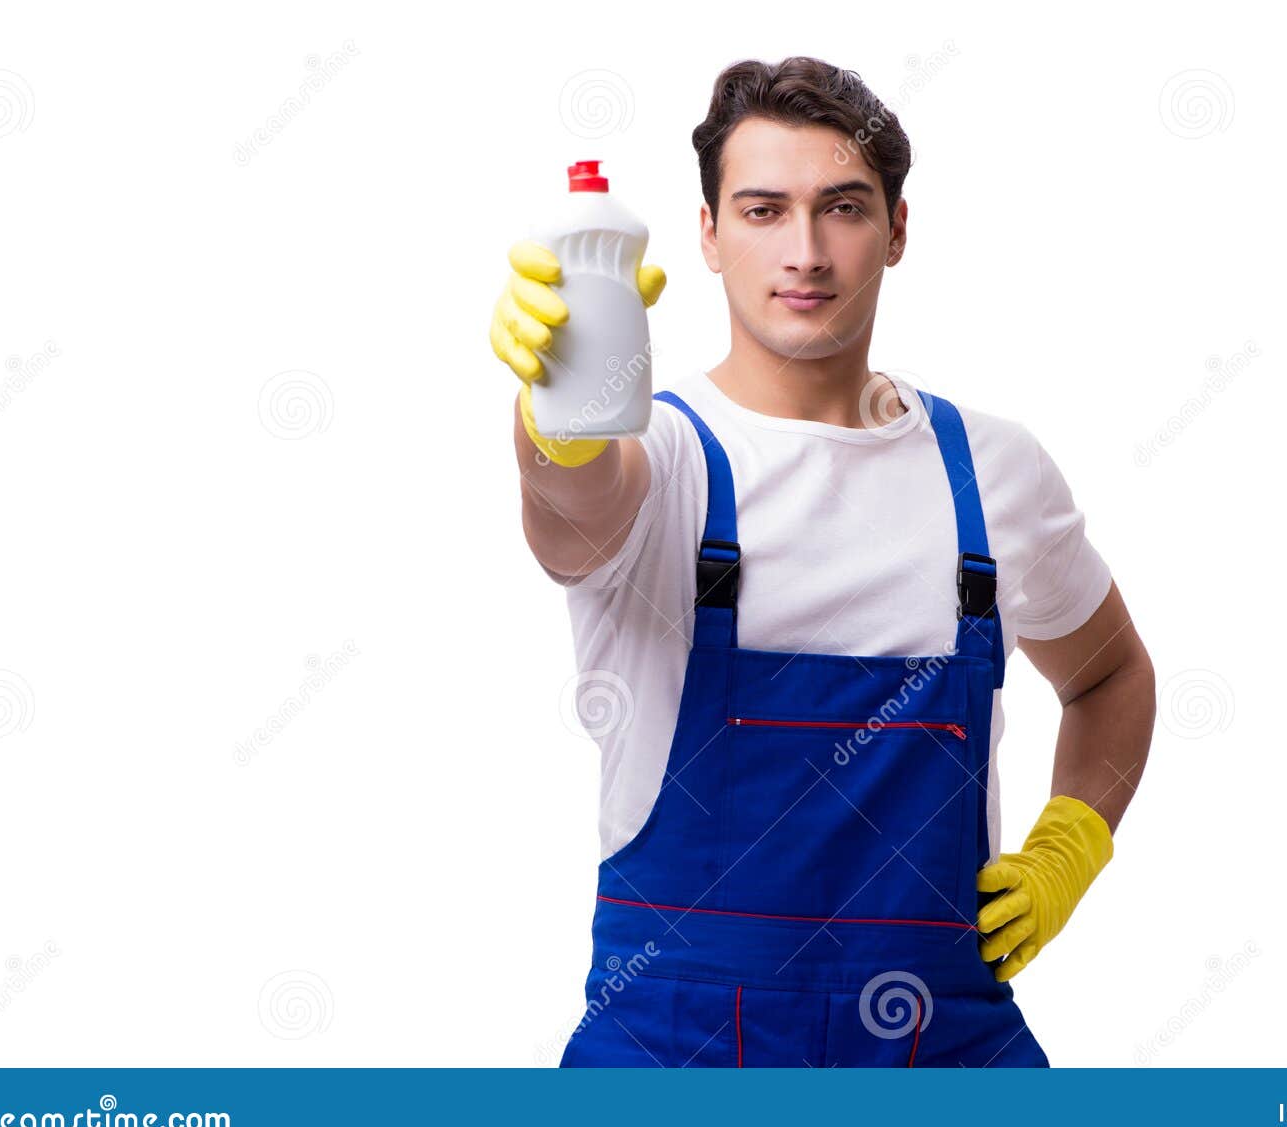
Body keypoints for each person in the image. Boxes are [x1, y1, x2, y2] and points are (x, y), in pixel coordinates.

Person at [490, 55, 1156, 1067]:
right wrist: (554, 415)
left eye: (840, 207)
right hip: (676, 1051)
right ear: (707, 235)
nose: (803, 251)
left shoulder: (992, 472)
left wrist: (1072, 844)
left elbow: (1109, 674)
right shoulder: (660, 460)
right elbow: (572, 501)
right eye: (762, 211)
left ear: (895, 230)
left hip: (943, 1049)